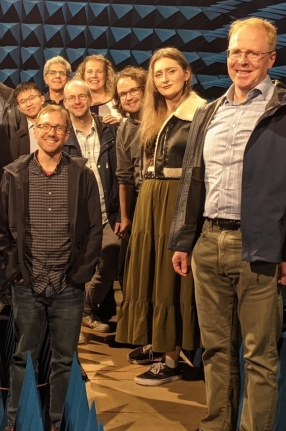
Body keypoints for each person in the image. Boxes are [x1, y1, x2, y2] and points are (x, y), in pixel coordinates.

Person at [169, 17, 286, 431]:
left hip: (259, 247)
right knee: (216, 350)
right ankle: (218, 424)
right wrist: (184, 239)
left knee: (259, 356)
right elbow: (192, 180)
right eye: (236, 51)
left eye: (252, 53)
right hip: (208, 242)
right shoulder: (209, 112)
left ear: (270, 58)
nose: (242, 61)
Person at [0, 105, 103, 431]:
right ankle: (18, 419)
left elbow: (94, 229)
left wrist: (78, 276)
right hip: (27, 283)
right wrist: (14, 272)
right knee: (22, 357)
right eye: (45, 127)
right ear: (35, 130)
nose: (51, 133)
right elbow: (1, 230)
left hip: (67, 286)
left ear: (67, 134)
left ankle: (56, 422)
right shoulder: (14, 173)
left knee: (63, 360)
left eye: (58, 128)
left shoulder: (82, 174)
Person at [115, 48, 206, 385]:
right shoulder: (152, 114)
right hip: (150, 199)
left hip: (175, 197)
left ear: (187, 73)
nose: (164, 79)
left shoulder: (200, 112)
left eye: (171, 71)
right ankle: (158, 340)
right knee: (150, 272)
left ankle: (172, 359)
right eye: (158, 73)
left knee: (171, 278)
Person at [62, 79, 120, 341]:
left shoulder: (108, 130)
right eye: (71, 98)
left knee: (111, 254)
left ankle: (85, 309)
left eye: (81, 96)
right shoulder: (62, 134)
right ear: (65, 102)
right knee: (78, 265)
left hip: (108, 209)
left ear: (90, 99)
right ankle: (75, 319)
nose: (77, 101)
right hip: (79, 213)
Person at [113, 66, 146, 287]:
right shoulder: (124, 130)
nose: (128, 97)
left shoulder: (166, 119)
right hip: (139, 201)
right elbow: (124, 178)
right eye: (123, 94)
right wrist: (125, 217)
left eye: (133, 90)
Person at [75, 54, 122, 124]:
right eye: (89, 71)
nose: (94, 75)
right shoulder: (77, 104)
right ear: (83, 75)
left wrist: (118, 126)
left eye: (99, 71)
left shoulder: (118, 103)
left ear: (107, 75)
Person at [9, 82, 45, 159]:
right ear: (19, 108)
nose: (28, 104)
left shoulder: (59, 126)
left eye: (32, 98)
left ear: (42, 99)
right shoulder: (17, 139)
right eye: (23, 101)